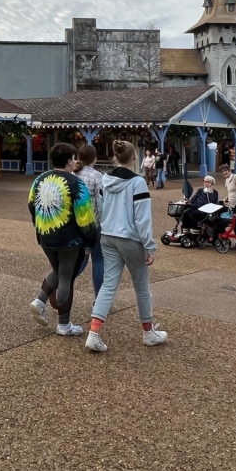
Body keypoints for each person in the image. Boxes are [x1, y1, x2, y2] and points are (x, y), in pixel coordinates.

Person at [85, 140, 167, 352]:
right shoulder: (137, 183)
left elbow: (101, 208)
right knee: (141, 286)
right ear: (134, 157)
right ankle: (148, 332)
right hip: (130, 238)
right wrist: (149, 246)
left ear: (115, 157)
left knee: (108, 284)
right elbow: (142, 219)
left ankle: (93, 333)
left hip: (107, 235)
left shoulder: (105, 179)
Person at [28, 143, 98, 337]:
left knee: (58, 271)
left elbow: (31, 204)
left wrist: (39, 225)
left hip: (45, 235)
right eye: (74, 158)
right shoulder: (76, 183)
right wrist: (91, 240)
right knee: (66, 277)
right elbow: (85, 216)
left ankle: (40, 301)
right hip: (70, 240)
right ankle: (64, 325)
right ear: (69, 161)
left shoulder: (39, 180)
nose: (75, 162)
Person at [73, 144, 104, 299]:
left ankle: (58, 284)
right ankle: (99, 299)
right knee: (98, 260)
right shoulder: (97, 176)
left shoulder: (72, 174)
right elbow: (100, 202)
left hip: (75, 223)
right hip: (93, 223)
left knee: (79, 258)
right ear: (94, 158)